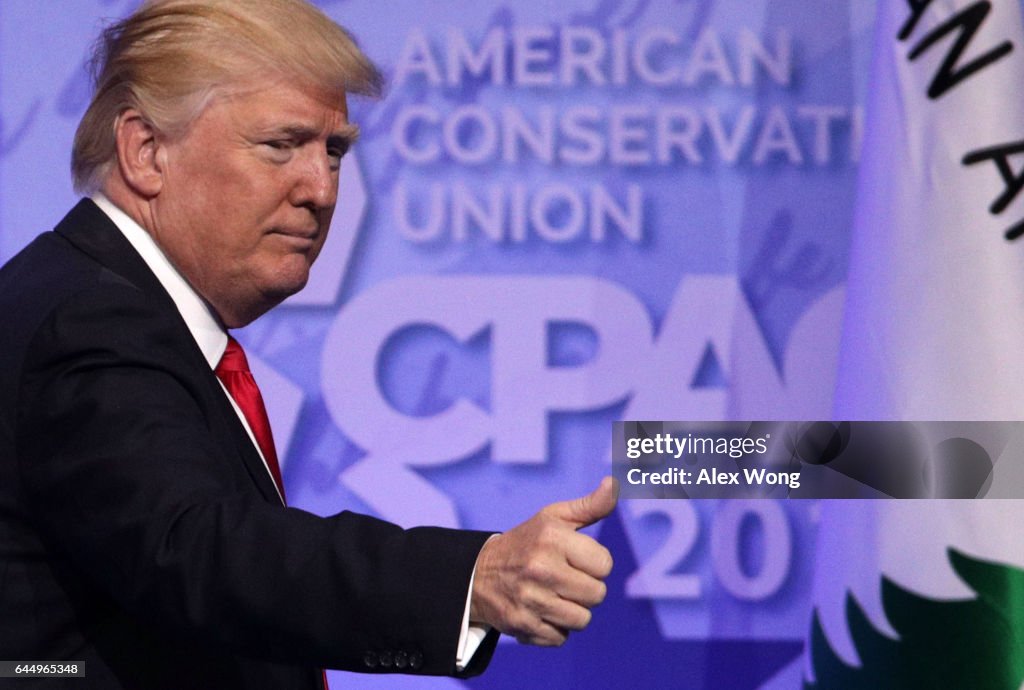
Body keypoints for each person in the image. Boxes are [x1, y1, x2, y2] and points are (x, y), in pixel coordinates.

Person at [0, 1, 617, 688]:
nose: (321, 189)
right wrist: (473, 580)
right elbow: (197, 548)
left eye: (335, 150)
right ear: (146, 152)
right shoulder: (88, 321)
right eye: (280, 145)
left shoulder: (107, 305)